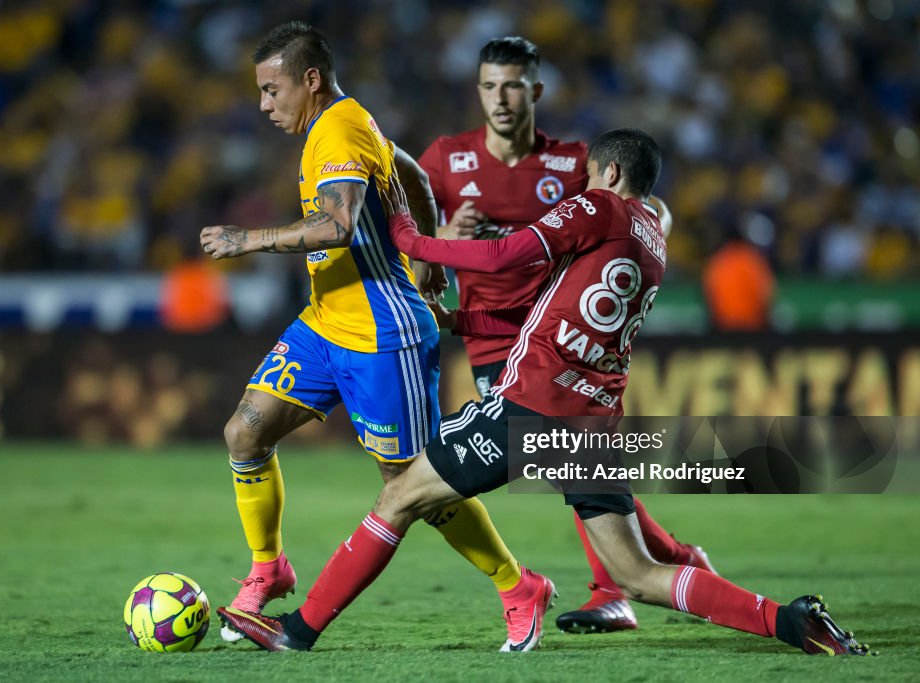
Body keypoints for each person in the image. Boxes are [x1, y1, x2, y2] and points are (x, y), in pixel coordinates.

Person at [218, 129, 871, 657]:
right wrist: (465, 321)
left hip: (531, 406)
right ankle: (790, 621)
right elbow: (560, 305)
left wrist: (415, 241)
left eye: (589, 176)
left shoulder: (602, 205)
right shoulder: (652, 237)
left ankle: (296, 631)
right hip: (590, 420)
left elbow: (509, 259)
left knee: (400, 494)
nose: (582, 187)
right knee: (637, 573)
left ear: (609, 175)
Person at [200, 21, 553, 651]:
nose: (264, 104)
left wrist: (246, 239)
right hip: (324, 322)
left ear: (309, 80)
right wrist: (435, 256)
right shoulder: (342, 123)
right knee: (244, 431)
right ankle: (267, 569)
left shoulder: (334, 128)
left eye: (271, 89)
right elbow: (410, 171)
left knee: (413, 484)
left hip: (381, 333)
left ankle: (518, 585)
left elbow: (336, 226)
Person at [418, 36, 710, 634]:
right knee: (572, 463)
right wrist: (445, 229)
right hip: (491, 338)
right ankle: (671, 562)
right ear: (477, 91)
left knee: (571, 461)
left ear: (536, 91)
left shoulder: (575, 162)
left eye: (514, 85)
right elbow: (421, 241)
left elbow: (648, 207)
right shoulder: (446, 158)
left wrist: (647, 242)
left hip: (553, 337)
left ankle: (621, 586)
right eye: (490, 86)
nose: (501, 98)